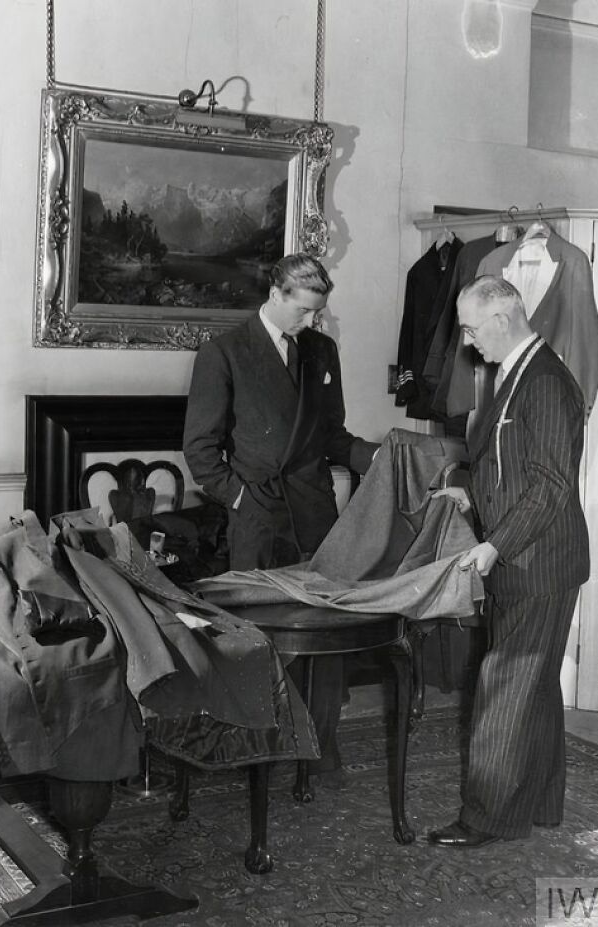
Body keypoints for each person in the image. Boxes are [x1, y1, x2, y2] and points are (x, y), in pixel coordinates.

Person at [183, 252, 379, 776]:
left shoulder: (321, 350)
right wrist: (242, 497)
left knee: (327, 633)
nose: (311, 322)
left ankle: (321, 743)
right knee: (261, 640)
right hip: (260, 517)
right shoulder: (224, 353)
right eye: (304, 312)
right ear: (276, 295)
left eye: (317, 313)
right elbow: (200, 450)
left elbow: (333, 436)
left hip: (316, 515)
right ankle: (263, 746)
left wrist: (379, 457)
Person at [429, 275, 590, 847]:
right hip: (530, 559)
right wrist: (470, 494)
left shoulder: (545, 380)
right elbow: (514, 465)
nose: (468, 342)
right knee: (535, 686)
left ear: (501, 319)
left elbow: (550, 486)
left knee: (504, 683)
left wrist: (494, 546)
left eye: (471, 328)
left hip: (537, 562)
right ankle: (541, 805)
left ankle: (487, 818)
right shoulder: (515, 372)